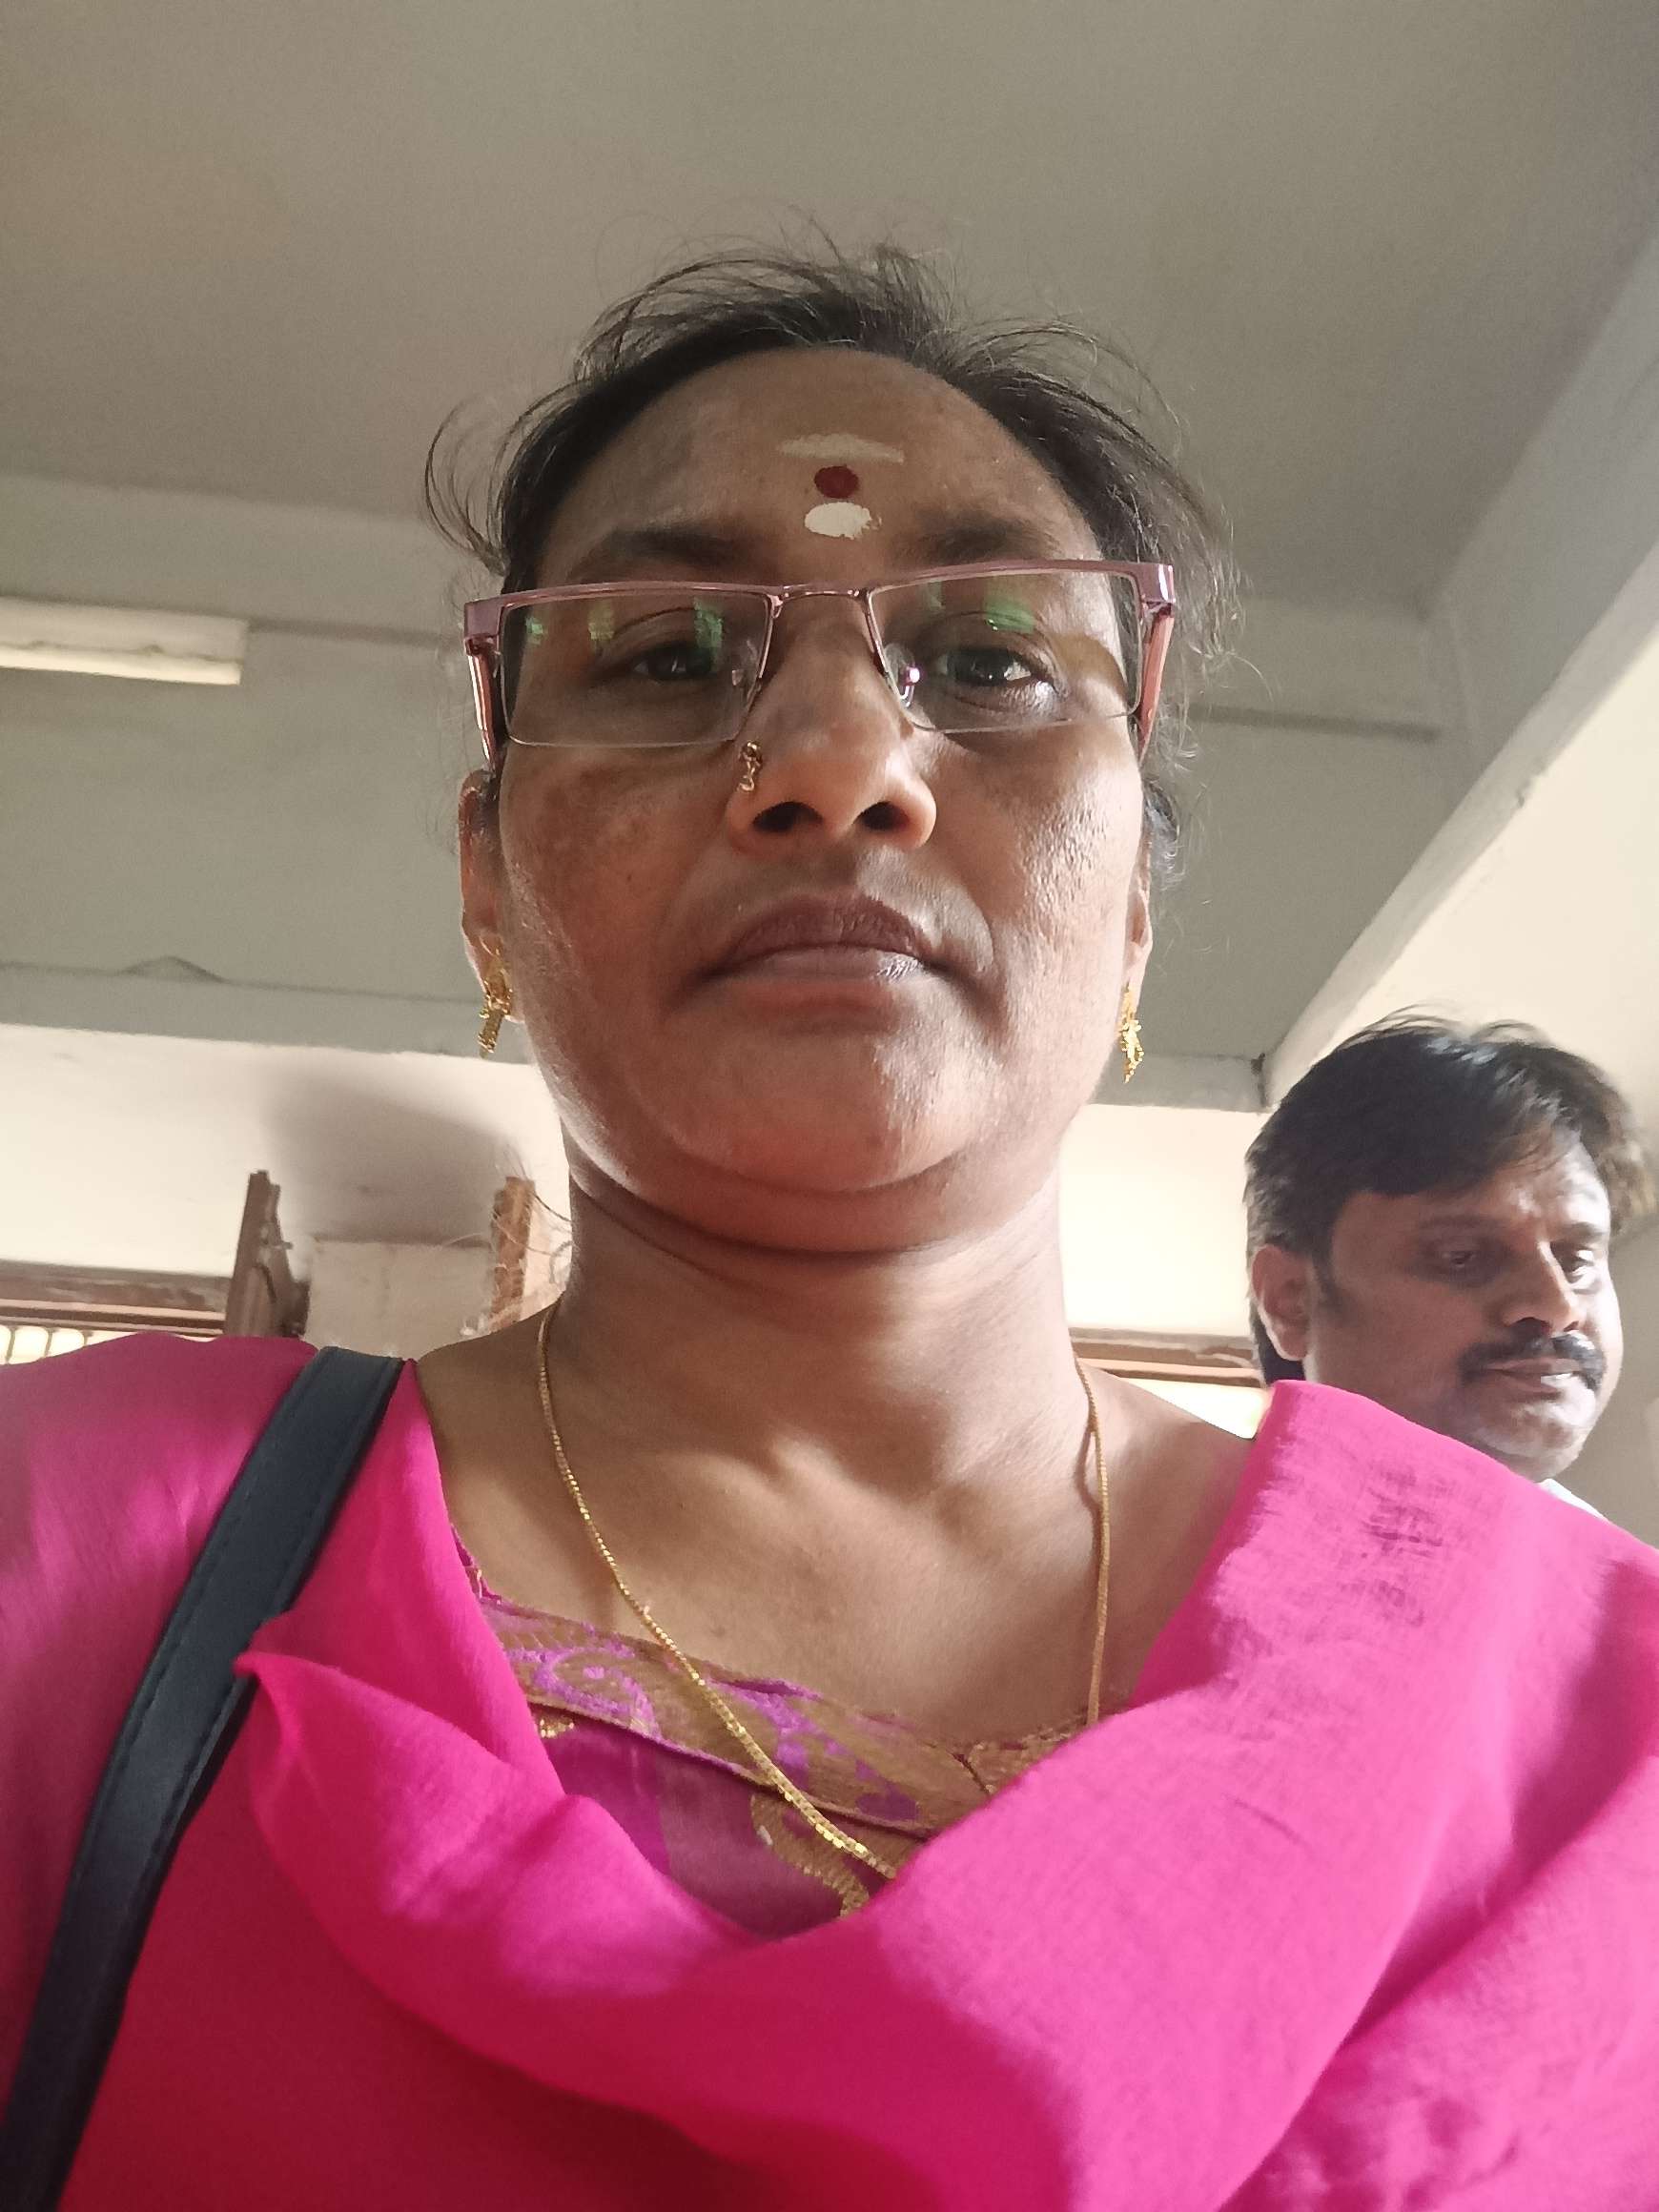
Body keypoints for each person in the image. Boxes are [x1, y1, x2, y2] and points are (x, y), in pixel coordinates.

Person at [4, 249, 1658, 2210]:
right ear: (489, 882)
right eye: (664, 656)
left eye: (989, 662)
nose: (837, 767)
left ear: (1135, 909)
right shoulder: (79, 1554)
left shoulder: (1592, 1726)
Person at [1246, 1018, 1652, 1505]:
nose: (1557, 1305)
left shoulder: (1610, 1555)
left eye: (1577, 1262)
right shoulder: (1181, 1534)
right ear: (1291, 1302)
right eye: (1462, 1257)